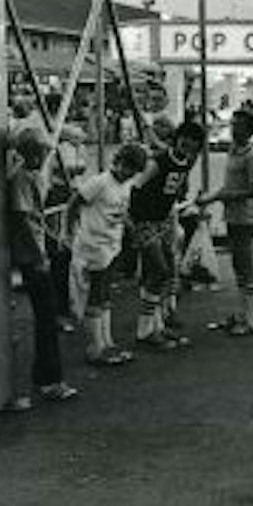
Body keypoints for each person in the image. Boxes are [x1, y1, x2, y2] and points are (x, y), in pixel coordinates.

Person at [6, 132, 79, 403]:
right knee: (46, 318)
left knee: (47, 318)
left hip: (33, 252)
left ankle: (46, 376)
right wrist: (40, 255)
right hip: (32, 256)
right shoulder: (24, 179)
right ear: (35, 154)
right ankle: (50, 379)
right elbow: (24, 219)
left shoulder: (23, 176)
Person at [128, 119, 206, 351]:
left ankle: (156, 325)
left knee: (162, 272)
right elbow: (136, 186)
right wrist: (131, 221)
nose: (187, 145)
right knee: (159, 271)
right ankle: (145, 331)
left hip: (163, 221)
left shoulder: (185, 162)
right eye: (184, 139)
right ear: (177, 138)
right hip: (145, 221)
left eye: (193, 142)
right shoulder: (159, 161)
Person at [73, 142, 148, 366]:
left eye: (133, 173)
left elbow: (123, 213)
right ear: (119, 162)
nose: (129, 175)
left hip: (112, 244)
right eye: (128, 169)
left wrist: (133, 231)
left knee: (105, 295)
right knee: (96, 294)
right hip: (94, 245)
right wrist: (68, 233)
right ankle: (95, 347)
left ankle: (107, 342)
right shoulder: (100, 183)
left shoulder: (124, 185)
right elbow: (74, 202)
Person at [198, 106, 253, 336]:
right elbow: (229, 186)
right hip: (233, 217)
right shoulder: (232, 151)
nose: (232, 128)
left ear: (248, 130)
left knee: (246, 266)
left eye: (237, 125)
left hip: (246, 219)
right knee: (238, 265)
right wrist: (213, 197)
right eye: (232, 124)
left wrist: (225, 196)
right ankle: (243, 314)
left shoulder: (251, 156)